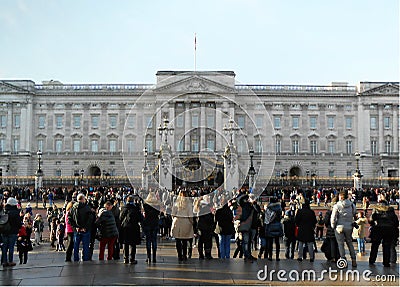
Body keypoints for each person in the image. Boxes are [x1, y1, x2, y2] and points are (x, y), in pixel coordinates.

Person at [368, 194, 399, 267]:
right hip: (389, 229)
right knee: (386, 246)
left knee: (375, 246)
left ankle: (372, 260)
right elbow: (396, 222)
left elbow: (371, 219)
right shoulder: (391, 210)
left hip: (378, 228)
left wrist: (372, 223)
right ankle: (386, 262)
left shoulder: (376, 209)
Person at [330, 190, 357, 267]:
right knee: (350, 243)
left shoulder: (337, 206)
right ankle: (354, 260)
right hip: (349, 226)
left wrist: (333, 226)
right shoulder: (352, 205)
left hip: (339, 227)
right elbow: (354, 214)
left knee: (340, 245)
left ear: (340, 196)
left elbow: (333, 218)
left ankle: (343, 260)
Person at [68, 193, 95, 262]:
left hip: (77, 230)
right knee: (86, 246)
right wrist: (85, 227)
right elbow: (90, 219)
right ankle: (85, 259)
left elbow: (70, 219)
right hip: (85, 230)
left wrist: (75, 227)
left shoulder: (73, 208)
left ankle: (76, 259)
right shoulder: (87, 208)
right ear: (83, 199)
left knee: (76, 246)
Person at [171, 192, 194, 262]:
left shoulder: (176, 204)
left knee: (178, 240)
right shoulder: (189, 205)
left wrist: (174, 219)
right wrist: (192, 222)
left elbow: (173, 214)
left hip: (177, 222)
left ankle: (179, 255)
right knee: (184, 240)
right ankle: (184, 255)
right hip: (186, 222)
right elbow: (190, 215)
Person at [119, 195, 142, 264]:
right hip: (134, 227)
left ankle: (125, 258)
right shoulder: (136, 208)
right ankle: (132, 259)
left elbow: (120, 218)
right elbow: (140, 218)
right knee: (133, 244)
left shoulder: (124, 208)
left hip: (125, 227)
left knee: (125, 243)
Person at [1, 197, 22, 267]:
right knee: (11, 247)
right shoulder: (15, 212)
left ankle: (4, 261)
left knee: (4, 247)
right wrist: (19, 228)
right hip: (13, 231)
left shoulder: (4, 210)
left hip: (4, 231)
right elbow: (18, 223)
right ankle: (10, 261)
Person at [194, 195, 215, 260]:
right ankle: (207, 254)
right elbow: (209, 217)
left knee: (201, 241)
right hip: (207, 226)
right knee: (208, 241)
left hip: (201, 226)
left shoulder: (199, 205)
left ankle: (201, 255)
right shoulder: (206, 207)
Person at [142, 192, 160, 263]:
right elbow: (158, 213)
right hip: (155, 223)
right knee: (154, 241)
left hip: (148, 223)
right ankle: (154, 257)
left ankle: (148, 257)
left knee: (148, 240)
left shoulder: (145, 205)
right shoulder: (157, 205)